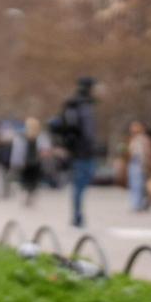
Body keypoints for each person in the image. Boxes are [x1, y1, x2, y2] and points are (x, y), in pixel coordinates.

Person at [52, 77, 99, 227]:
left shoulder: (83, 105)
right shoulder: (79, 106)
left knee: (83, 181)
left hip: (85, 150)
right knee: (79, 184)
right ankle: (77, 216)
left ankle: (77, 215)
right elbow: (80, 130)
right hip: (80, 151)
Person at [10, 118, 50, 207]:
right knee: (28, 181)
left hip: (33, 162)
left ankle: (29, 197)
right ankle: (28, 197)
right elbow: (17, 151)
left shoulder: (41, 136)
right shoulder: (22, 136)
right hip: (28, 162)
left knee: (30, 181)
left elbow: (45, 150)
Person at [126, 121, 151, 212]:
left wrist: (147, 164)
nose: (132, 129)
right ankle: (136, 204)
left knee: (139, 185)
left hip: (140, 163)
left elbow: (147, 153)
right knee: (134, 184)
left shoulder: (143, 139)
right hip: (133, 163)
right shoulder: (132, 138)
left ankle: (138, 204)